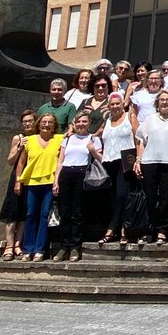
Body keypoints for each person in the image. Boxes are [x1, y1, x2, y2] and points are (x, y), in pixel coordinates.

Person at [52, 111, 103, 262]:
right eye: (78, 122)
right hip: (66, 174)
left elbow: (101, 159)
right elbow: (60, 161)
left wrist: (93, 150)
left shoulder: (93, 138)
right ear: (74, 123)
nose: (81, 124)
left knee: (77, 212)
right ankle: (63, 246)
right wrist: (56, 181)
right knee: (65, 212)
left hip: (82, 173)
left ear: (89, 123)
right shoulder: (67, 139)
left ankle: (75, 247)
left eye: (84, 122)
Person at [135, 90, 168, 245]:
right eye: (161, 99)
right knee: (149, 198)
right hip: (149, 162)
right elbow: (141, 140)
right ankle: (148, 230)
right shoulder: (149, 120)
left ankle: (163, 231)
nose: (164, 102)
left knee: (166, 198)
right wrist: (138, 160)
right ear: (157, 103)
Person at [15, 113, 64, 262]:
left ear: (54, 125)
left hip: (49, 182)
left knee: (44, 215)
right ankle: (27, 249)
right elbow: (21, 162)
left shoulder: (60, 139)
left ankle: (39, 250)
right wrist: (18, 181)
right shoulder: (29, 140)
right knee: (30, 214)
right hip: (32, 182)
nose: (46, 125)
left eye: (50, 122)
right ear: (39, 124)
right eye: (43, 122)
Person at [97, 91, 140, 248]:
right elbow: (96, 136)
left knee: (123, 195)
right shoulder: (107, 120)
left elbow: (139, 138)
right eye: (112, 104)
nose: (115, 106)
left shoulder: (130, 117)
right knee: (114, 197)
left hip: (126, 161)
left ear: (123, 104)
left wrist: (139, 160)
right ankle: (120, 228)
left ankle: (115, 228)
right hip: (109, 161)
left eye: (118, 103)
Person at [0, 109, 38, 260]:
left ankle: (18, 244)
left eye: (30, 121)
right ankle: (9, 246)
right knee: (12, 211)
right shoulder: (18, 138)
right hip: (18, 176)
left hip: (33, 176)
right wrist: (19, 148)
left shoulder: (39, 137)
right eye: (25, 121)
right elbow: (10, 160)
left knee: (24, 212)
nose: (27, 124)